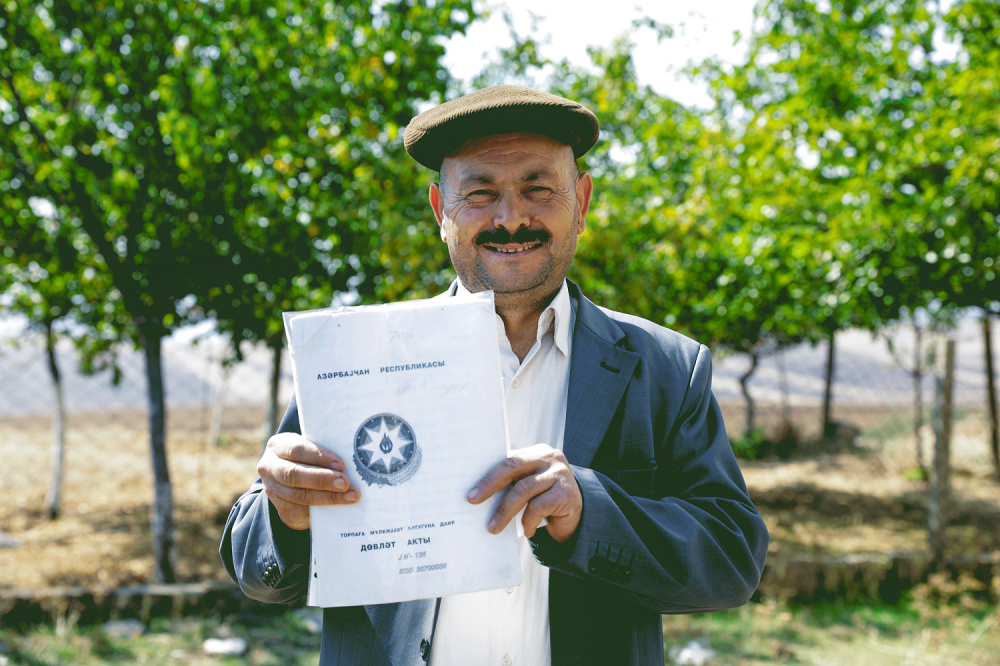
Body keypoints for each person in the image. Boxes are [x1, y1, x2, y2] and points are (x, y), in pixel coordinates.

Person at [221, 85, 769, 666]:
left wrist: (589, 509)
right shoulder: (358, 359)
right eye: (480, 193)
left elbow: (731, 561)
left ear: (581, 201)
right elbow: (260, 574)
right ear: (440, 212)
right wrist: (285, 512)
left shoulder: (667, 369)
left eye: (538, 188)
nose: (512, 218)